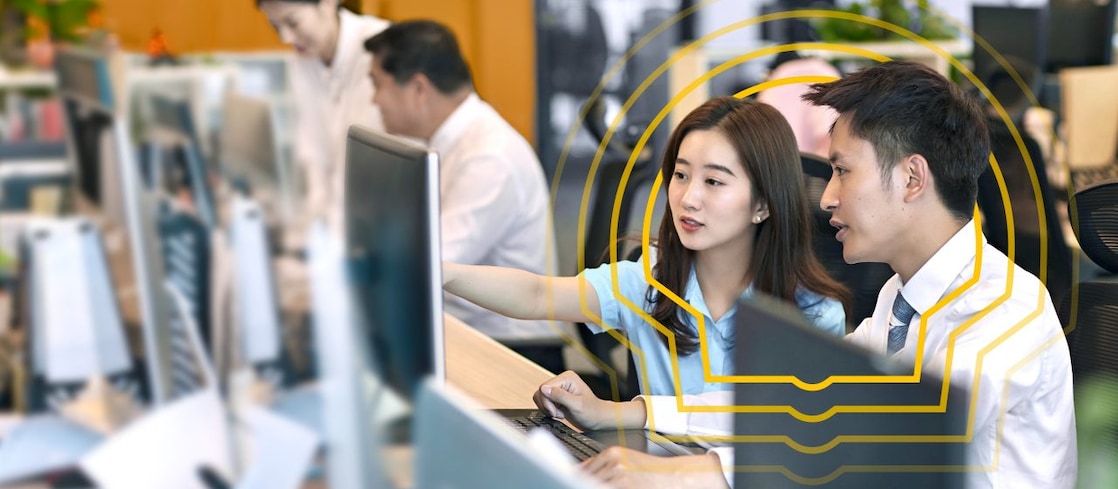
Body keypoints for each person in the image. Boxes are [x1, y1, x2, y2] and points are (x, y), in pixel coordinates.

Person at [556, 61, 1078, 489]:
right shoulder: (903, 297)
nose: (826, 197)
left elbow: (879, 441)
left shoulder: (1002, 312)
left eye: (842, 170)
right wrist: (633, 414)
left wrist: (688, 474)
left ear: (912, 178)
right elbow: (803, 398)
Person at [444, 96, 850, 398]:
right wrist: (441, 271)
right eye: (680, 174)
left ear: (762, 204)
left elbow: (784, 446)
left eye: (714, 181)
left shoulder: (814, 316)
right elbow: (536, 295)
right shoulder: (649, 282)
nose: (688, 198)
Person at [362, 20, 564, 368]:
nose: (374, 100)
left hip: (513, 354)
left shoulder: (488, 158)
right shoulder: (452, 144)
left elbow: (426, 266)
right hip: (466, 335)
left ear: (419, 89)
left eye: (378, 84)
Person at [256, 0, 388, 234]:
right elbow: (314, 154)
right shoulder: (305, 59)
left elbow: (360, 165)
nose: (286, 38)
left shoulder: (379, 49)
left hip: (377, 221)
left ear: (328, 3)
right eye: (276, 27)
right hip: (337, 229)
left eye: (292, 22)